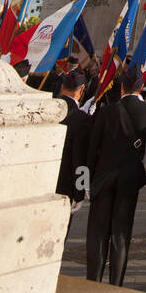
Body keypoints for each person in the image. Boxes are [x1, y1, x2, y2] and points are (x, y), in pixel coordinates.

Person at [85, 61, 146, 285]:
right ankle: (116, 282)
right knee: (121, 232)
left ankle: (93, 279)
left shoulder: (107, 111)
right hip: (130, 178)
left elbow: (92, 148)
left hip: (104, 177)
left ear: (122, 87)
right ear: (141, 87)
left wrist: (86, 181)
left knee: (98, 232)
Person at [55, 68, 92, 224]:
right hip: (66, 186)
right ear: (82, 90)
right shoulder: (81, 119)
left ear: (62, 88)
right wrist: (80, 191)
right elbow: (80, 159)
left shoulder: (48, 108)